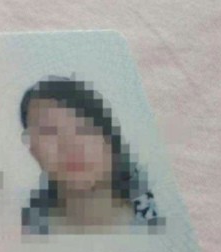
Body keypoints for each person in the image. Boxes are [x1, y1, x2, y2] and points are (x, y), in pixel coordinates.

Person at [19, 76, 161, 235]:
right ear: (34, 151)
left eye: (82, 127)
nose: (70, 145)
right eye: (49, 131)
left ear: (109, 140)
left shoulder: (161, 216)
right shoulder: (26, 230)